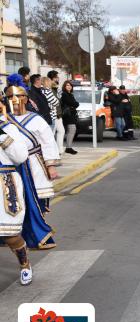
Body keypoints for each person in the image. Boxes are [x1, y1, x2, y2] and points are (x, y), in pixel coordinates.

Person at [3, 74, 60, 216]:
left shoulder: (36, 119)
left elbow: (48, 142)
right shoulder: (4, 119)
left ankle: (37, 231)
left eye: (18, 96)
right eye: (10, 97)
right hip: (13, 164)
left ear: (26, 99)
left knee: (37, 202)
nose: (14, 100)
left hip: (34, 163)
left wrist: (50, 166)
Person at [0, 112, 35, 285]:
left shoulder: (8, 128)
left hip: (5, 183)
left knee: (11, 235)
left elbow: (21, 157)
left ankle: (25, 265)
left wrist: (1, 136)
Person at [47, 70, 66, 155]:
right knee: (52, 133)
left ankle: (60, 150)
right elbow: (53, 101)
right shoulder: (49, 88)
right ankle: (53, 152)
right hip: (52, 114)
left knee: (61, 131)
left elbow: (60, 99)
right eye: (56, 77)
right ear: (52, 78)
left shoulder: (56, 88)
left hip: (58, 114)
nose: (58, 79)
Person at [60, 80, 79, 155]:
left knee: (71, 131)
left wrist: (75, 104)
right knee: (71, 129)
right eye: (67, 85)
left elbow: (75, 104)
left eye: (70, 85)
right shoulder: (64, 94)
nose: (69, 86)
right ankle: (68, 147)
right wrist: (75, 104)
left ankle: (69, 147)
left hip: (72, 114)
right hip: (68, 115)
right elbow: (73, 103)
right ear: (64, 86)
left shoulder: (70, 94)